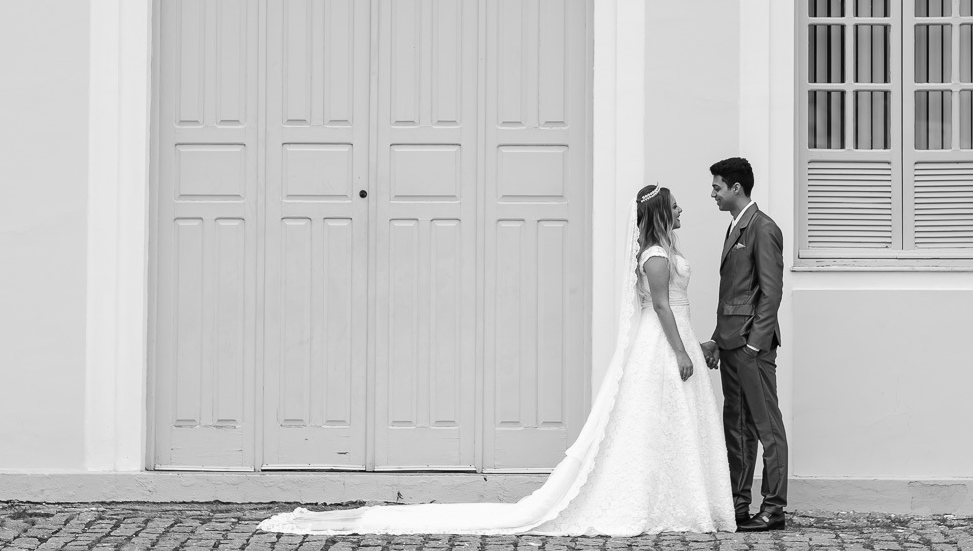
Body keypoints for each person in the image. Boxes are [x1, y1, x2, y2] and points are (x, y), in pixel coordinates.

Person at [259, 184, 735, 536]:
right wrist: (678, 350)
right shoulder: (654, 256)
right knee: (654, 421)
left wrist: (695, 344)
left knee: (671, 424)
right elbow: (661, 306)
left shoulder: (666, 251)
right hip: (664, 343)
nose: (681, 211)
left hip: (681, 338)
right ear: (659, 214)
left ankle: (677, 497)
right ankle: (651, 499)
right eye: (674, 207)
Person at [700, 157, 788, 532]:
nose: (713, 193)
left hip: (753, 346)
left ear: (736, 188)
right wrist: (719, 341)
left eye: (717, 187)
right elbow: (734, 295)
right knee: (735, 426)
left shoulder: (763, 228)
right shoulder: (735, 226)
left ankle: (773, 509)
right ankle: (738, 505)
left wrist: (755, 344)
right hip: (732, 345)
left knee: (766, 427)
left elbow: (771, 292)